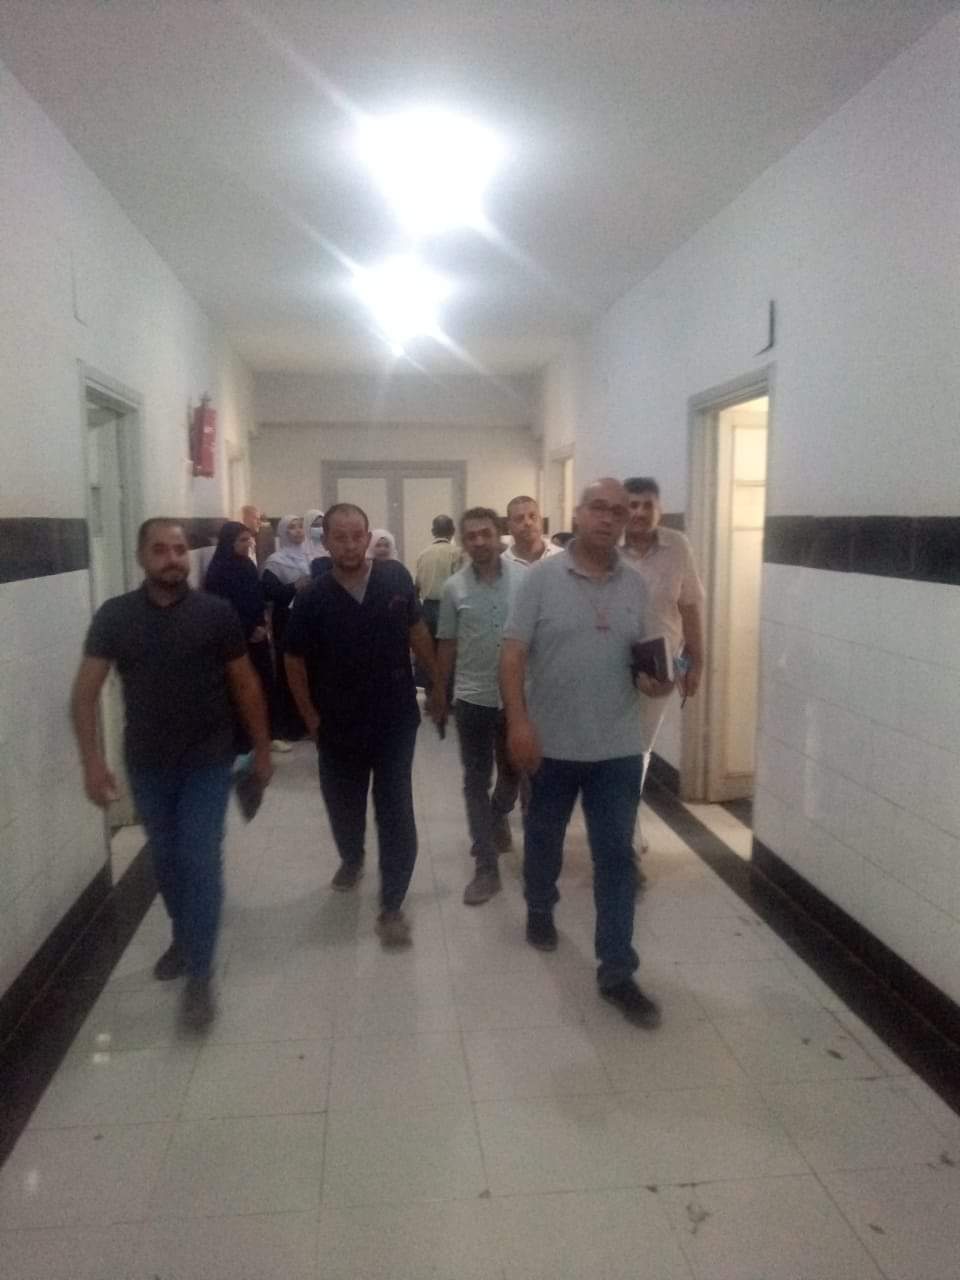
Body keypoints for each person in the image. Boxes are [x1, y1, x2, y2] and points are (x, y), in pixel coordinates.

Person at [70, 518, 273, 1030]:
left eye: (180, 550)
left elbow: (246, 685)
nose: (173, 559)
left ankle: (200, 974)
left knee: (200, 859)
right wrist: (92, 761)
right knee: (166, 861)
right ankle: (185, 936)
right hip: (148, 763)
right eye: (160, 550)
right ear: (142, 557)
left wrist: (262, 751)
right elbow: (85, 694)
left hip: (208, 759)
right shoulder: (115, 617)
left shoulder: (215, 613)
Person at [500, 478, 673, 1027]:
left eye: (619, 512)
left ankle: (617, 971)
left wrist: (657, 681)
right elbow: (512, 655)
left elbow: (646, 659)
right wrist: (518, 723)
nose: (609, 518)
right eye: (599, 508)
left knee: (616, 858)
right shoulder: (541, 579)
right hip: (551, 744)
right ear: (577, 514)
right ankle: (539, 906)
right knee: (544, 840)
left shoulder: (635, 585)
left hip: (617, 748)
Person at [284, 503, 441, 947]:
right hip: (337, 725)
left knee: (396, 810)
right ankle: (352, 857)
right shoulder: (312, 597)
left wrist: (437, 684)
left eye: (358, 536)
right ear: (327, 541)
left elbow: (417, 632)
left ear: (368, 538)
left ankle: (392, 905)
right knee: (344, 807)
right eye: (341, 537)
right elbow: (293, 661)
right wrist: (310, 717)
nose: (351, 545)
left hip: (394, 720)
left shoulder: (395, 578)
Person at [434, 509, 527, 905]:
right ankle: (486, 868)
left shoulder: (526, 580)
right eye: (471, 536)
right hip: (472, 698)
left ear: (499, 534)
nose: (479, 542)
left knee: (515, 773)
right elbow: (447, 643)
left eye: (485, 533)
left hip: (517, 698)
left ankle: (496, 813)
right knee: (475, 779)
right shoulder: (453, 588)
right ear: (463, 541)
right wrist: (439, 694)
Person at [621, 476, 705, 860]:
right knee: (614, 748)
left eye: (647, 505)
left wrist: (695, 662)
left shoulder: (677, 546)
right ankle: (621, 826)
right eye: (632, 505)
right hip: (609, 662)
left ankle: (626, 824)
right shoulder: (607, 546)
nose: (639, 512)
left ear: (660, 509)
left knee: (640, 748)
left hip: (659, 665)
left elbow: (689, 607)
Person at [204, 521, 290, 753]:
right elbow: (222, 609)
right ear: (228, 542)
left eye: (248, 539)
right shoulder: (218, 572)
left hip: (258, 635)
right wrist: (248, 628)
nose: (247, 544)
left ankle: (270, 735)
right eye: (242, 540)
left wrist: (262, 625)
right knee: (240, 688)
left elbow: (256, 597)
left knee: (265, 683)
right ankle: (243, 741)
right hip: (236, 640)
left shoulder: (248, 566)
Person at [261, 514, 313, 739]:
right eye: (292, 527)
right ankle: (293, 725)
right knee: (290, 669)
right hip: (287, 620)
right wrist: (294, 586)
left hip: (312, 619)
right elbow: (269, 593)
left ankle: (313, 721)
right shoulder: (275, 561)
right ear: (283, 532)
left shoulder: (311, 555)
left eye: (300, 526)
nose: (298, 531)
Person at [414, 515, 461, 691]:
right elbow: (459, 584)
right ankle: (446, 694)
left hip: (426, 608)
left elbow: (417, 586)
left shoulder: (423, 554)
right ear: (453, 531)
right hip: (448, 608)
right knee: (448, 654)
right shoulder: (456, 553)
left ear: (433, 531)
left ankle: (430, 691)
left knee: (428, 653)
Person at [502, 495, 562, 565]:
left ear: (541, 521)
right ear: (509, 526)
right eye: (519, 518)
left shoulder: (562, 557)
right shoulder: (500, 564)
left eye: (533, 516)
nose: (528, 523)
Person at [241, 504, 275, 568]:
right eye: (255, 518)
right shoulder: (238, 543)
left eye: (259, 519)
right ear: (245, 519)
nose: (259, 522)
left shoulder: (262, 540)